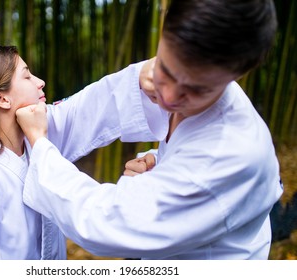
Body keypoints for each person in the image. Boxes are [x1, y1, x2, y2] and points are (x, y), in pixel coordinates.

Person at [17, 0, 284, 259]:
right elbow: (96, 105)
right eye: (166, 70)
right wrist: (162, 161)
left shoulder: (231, 153)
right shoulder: (186, 65)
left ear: (235, 75)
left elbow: (109, 222)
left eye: (196, 90)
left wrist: (41, 146)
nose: (168, 97)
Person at [0, 46, 167, 259]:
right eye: (27, 76)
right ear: (2, 99)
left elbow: (91, 105)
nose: (41, 82)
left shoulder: (38, 139)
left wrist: (143, 76)